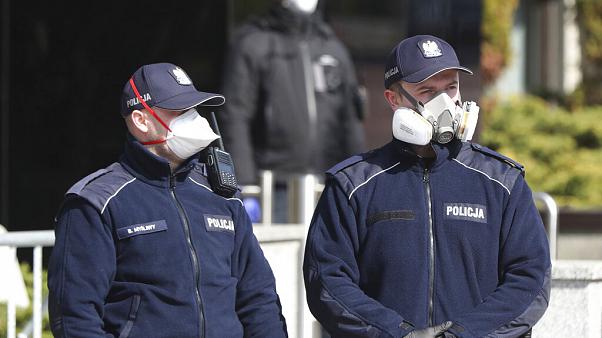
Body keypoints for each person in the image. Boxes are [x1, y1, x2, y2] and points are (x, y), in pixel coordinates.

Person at [303, 35, 551, 338]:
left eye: (451, 87)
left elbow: (530, 280)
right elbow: (327, 281)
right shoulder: (353, 185)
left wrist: (464, 334)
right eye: (427, 91)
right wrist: (397, 334)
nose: (444, 102)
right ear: (394, 100)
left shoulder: (502, 182)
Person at [47, 63, 288, 338]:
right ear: (141, 120)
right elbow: (75, 317)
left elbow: (259, 298)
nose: (194, 119)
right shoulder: (97, 202)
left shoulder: (222, 195)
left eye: (194, 109)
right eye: (179, 111)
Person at [219, 0, 366, 220]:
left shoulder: (333, 48)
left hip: (329, 185)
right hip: (272, 186)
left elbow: (350, 122)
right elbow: (235, 117)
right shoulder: (254, 43)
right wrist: (246, 185)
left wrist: (358, 179)